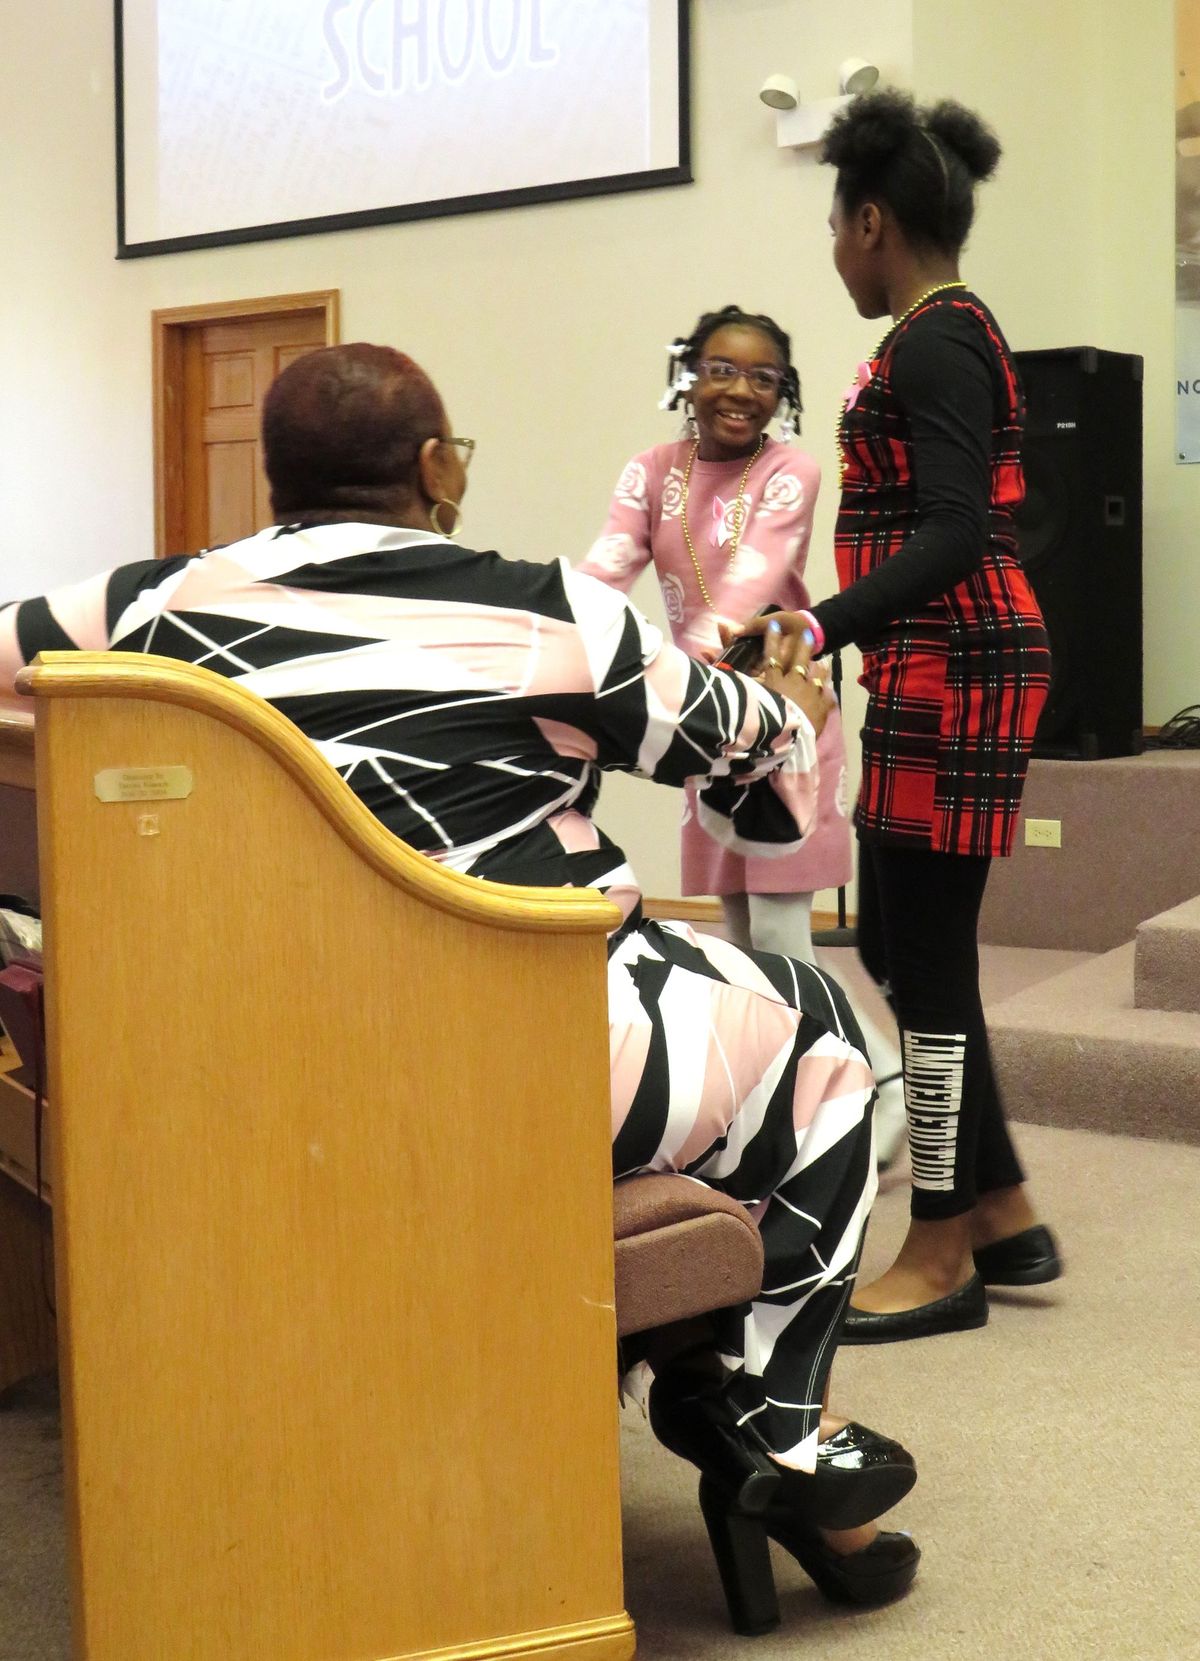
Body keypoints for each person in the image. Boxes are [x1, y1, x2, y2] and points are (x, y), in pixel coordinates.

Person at [0, 343, 919, 1609]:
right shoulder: (552, 612)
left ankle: (705, 1370)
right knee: (820, 1039)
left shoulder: (148, 608)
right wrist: (790, 704)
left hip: (234, 1058)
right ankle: (771, 1411)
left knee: (711, 1006)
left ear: (278, 477)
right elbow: (748, 748)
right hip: (512, 1061)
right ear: (436, 468)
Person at [732, 91, 1062, 1342]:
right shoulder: (945, 333)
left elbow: (957, 529)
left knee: (924, 959)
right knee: (901, 942)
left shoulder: (933, 341)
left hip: (960, 666)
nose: (836, 249)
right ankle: (1002, 1208)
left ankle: (939, 1246)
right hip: (942, 661)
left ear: (871, 222)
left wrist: (816, 625)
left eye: (836, 226)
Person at [580, 306, 908, 1168]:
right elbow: (604, 572)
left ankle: (884, 1084)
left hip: (783, 720)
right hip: (705, 729)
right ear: (687, 374)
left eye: (763, 378)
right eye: (721, 369)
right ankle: (806, 1091)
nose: (740, 390)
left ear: (783, 393)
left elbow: (747, 589)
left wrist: (657, 680)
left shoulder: (791, 471)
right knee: (740, 937)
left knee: (783, 938)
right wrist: (560, 632)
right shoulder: (652, 471)